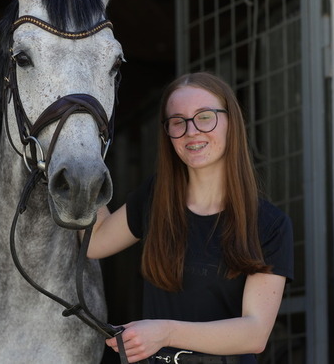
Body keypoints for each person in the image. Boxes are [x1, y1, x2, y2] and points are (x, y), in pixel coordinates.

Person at [87, 72, 294, 364]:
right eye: (178, 121)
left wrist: (165, 333)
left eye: (205, 117)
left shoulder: (270, 225)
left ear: (231, 122)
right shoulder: (155, 199)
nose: (191, 131)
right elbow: (95, 241)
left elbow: (254, 333)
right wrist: (85, 163)